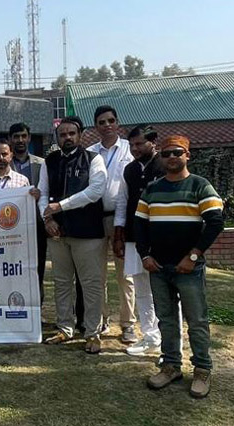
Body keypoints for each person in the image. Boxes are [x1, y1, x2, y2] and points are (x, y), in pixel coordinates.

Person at [136, 134, 224, 398]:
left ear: (187, 155)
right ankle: (171, 365)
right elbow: (139, 225)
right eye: (166, 154)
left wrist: (193, 256)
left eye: (177, 152)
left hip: (189, 268)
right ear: (161, 158)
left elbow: (216, 222)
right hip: (158, 267)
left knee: (196, 320)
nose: (172, 157)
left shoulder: (200, 185)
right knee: (166, 320)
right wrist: (144, 256)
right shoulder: (152, 189)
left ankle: (202, 370)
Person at [39, 116, 108, 354]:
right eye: (62, 134)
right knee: (62, 283)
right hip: (57, 232)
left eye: (71, 133)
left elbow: (96, 191)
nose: (67, 138)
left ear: (80, 135)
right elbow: (43, 193)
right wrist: (47, 219)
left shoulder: (93, 159)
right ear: (57, 138)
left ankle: (93, 332)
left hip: (87, 231)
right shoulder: (50, 161)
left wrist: (60, 206)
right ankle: (64, 328)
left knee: (91, 284)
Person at [87, 105, 137, 342]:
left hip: (122, 219)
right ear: (95, 127)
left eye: (110, 121)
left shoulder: (129, 149)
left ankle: (128, 324)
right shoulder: (89, 153)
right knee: (97, 276)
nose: (107, 125)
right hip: (95, 219)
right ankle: (102, 319)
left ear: (117, 123)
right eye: (101, 122)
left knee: (125, 275)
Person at [114, 124, 164, 356]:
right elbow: (123, 202)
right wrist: (119, 233)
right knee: (142, 289)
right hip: (135, 237)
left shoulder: (165, 164)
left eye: (139, 144)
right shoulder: (129, 170)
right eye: (132, 144)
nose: (134, 148)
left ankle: (168, 339)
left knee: (164, 290)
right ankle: (150, 337)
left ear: (153, 142)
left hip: (161, 237)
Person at [9, 123, 48, 305]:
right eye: (16, 137)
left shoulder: (42, 164)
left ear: (29, 138)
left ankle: (37, 308)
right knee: (13, 269)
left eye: (23, 136)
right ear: (10, 139)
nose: (20, 140)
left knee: (37, 268)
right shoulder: (2, 162)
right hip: (11, 228)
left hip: (36, 225)